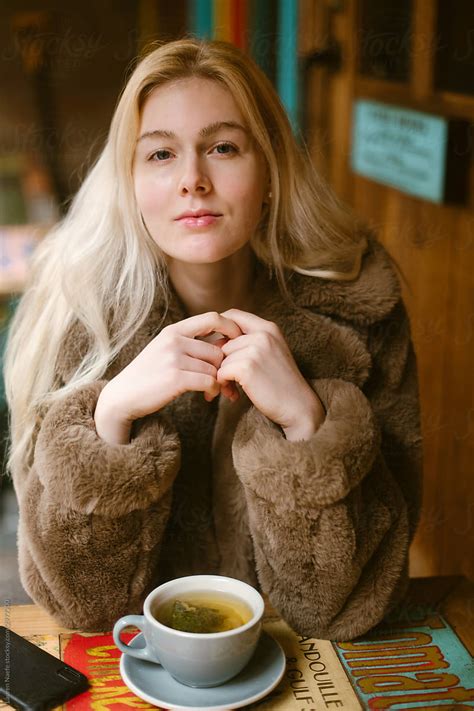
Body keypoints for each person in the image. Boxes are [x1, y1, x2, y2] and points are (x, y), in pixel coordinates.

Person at [4, 38, 422, 640]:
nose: (193, 180)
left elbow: (346, 609)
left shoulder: (360, 312)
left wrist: (307, 423)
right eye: (160, 155)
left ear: (271, 168)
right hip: (142, 673)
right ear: (129, 179)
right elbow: (82, 611)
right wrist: (111, 417)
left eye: (223, 148)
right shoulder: (76, 316)